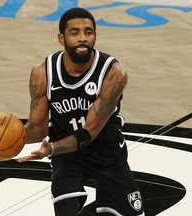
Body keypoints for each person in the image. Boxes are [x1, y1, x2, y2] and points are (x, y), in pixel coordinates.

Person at [17, 7, 144, 216]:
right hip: (68, 159)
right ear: (61, 38)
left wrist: (51, 150)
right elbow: (38, 129)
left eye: (89, 32)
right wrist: (10, 139)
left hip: (107, 155)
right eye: (75, 33)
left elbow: (88, 134)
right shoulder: (42, 73)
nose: (83, 38)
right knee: (66, 207)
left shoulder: (113, 74)